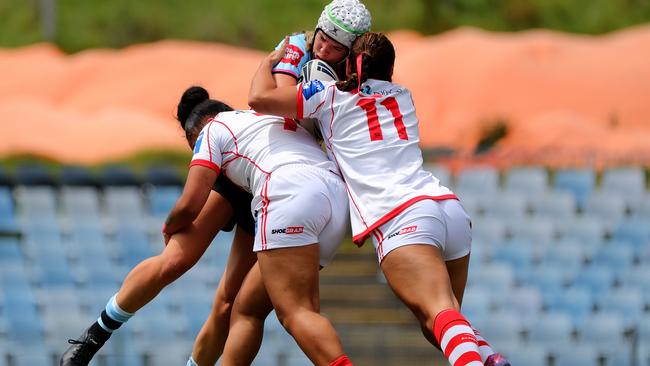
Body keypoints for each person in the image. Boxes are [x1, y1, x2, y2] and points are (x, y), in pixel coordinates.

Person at [248, 32, 511, 366]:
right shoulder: (403, 95)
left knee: (439, 313)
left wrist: (271, 61)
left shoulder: (328, 96)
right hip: (448, 209)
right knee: (440, 324)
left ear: (349, 64)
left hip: (402, 217)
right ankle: (489, 358)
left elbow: (259, 99)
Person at [166, 86, 352, 366]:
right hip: (336, 199)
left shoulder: (211, 128)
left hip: (289, 193)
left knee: (290, 313)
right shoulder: (266, 117)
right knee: (256, 307)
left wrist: (169, 227)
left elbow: (190, 204)